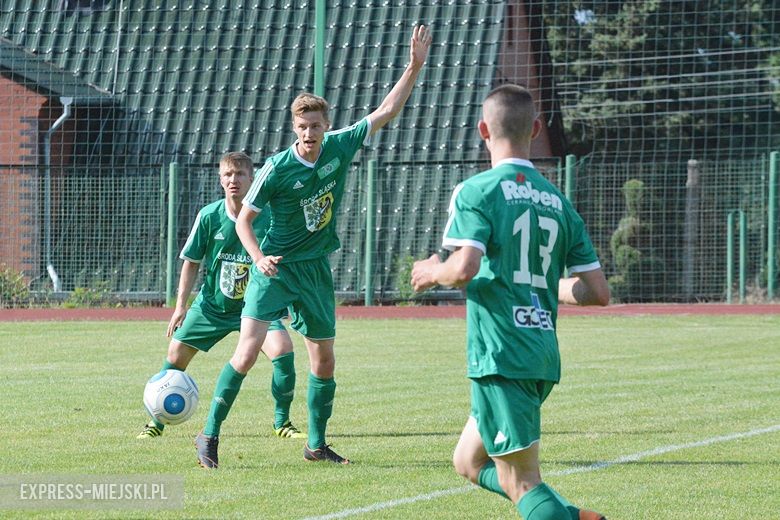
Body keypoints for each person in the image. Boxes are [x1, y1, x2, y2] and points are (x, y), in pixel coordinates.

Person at [194, 25, 432, 468]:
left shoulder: (339, 147)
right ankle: (209, 434)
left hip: (315, 271)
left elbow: (385, 111)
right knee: (247, 351)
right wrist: (258, 257)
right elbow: (245, 220)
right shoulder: (275, 168)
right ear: (294, 127)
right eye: (302, 127)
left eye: (316, 126)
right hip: (276, 268)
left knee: (324, 361)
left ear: (326, 126)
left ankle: (315, 445)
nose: (309, 133)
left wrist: (414, 65)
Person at [410, 84, 611, 520]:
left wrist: (431, 271)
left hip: (501, 353)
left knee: (520, 481)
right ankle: (570, 516)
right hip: (539, 353)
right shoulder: (558, 200)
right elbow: (597, 292)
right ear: (536, 129)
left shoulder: (477, 191)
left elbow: (463, 268)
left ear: (483, 129)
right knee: (468, 461)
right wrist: (535, 284)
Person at [138, 152, 304, 443]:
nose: (233, 180)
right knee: (175, 357)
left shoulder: (268, 218)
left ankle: (282, 422)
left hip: (258, 306)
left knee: (284, 352)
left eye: (240, 174)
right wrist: (180, 307)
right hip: (213, 306)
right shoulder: (209, 216)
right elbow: (191, 262)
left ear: (252, 180)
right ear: (220, 179)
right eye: (228, 174)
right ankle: (156, 421)